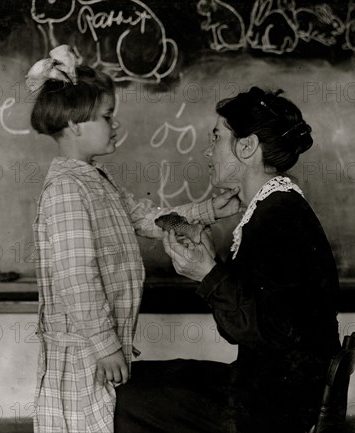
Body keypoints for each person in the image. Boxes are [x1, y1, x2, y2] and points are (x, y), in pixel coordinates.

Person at [28, 45, 241, 433]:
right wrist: (105, 344)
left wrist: (208, 211)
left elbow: (148, 217)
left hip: (99, 345)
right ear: (75, 124)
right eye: (107, 117)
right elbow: (77, 276)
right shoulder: (66, 190)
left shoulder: (94, 181)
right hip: (83, 351)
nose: (116, 125)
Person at [115, 87, 341, 433]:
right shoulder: (274, 209)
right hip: (268, 391)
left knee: (120, 399)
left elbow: (263, 329)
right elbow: (249, 322)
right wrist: (211, 266)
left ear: (247, 147)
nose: (208, 152)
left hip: (269, 410)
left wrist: (208, 273)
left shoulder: (277, 217)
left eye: (217, 138)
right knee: (132, 378)